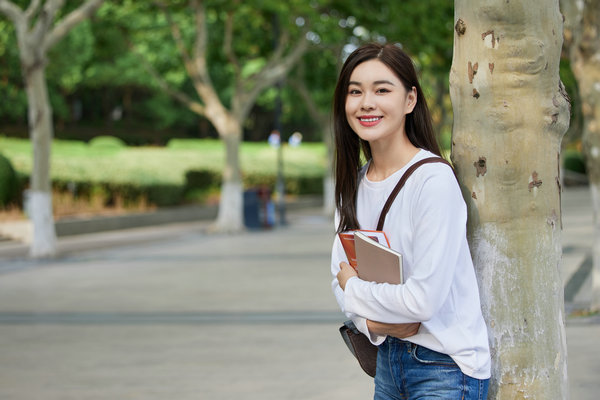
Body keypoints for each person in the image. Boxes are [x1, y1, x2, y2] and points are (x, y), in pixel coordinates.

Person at [330, 43, 491, 399]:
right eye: (355, 91)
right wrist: (372, 322)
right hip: (387, 361)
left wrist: (357, 290)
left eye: (382, 90)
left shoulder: (433, 181)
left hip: (446, 369)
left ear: (409, 100)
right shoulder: (351, 184)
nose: (366, 102)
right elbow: (336, 281)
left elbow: (422, 302)